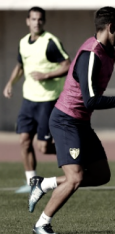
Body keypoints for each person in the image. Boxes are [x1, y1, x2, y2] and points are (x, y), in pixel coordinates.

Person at [27, 6, 115, 234]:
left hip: (80, 122)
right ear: (111, 27)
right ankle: (42, 223)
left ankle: (44, 184)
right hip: (65, 121)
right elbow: (90, 101)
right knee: (75, 178)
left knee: (102, 174)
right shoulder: (90, 55)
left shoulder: (109, 51)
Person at [3, 6, 71, 193]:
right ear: (28, 21)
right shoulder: (23, 42)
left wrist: (46, 75)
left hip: (47, 101)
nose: (37, 22)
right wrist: (10, 83)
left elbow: (68, 65)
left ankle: (77, 152)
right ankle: (31, 182)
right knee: (24, 141)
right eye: (33, 19)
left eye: (40, 19)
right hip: (28, 101)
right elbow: (20, 66)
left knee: (44, 147)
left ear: (44, 21)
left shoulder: (50, 42)